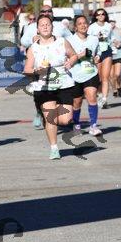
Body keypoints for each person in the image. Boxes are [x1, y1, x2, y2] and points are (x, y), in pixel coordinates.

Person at [24, 14, 77, 159]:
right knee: (51, 118)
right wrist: (36, 71)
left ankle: (45, 116)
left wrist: (70, 62)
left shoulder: (62, 42)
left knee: (65, 120)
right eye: (42, 25)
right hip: (44, 87)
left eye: (48, 24)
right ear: (37, 29)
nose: (45, 27)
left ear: (52, 27)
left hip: (64, 84)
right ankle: (54, 148)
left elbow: (73, 55)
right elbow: (27, 69)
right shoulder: (33, 48)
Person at [21, 5, 72, 129]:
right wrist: (33, 40)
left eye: (49, 11)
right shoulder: (32, 26)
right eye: (43, 11)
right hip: (39, 65)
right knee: (39, 92)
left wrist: (68, 55)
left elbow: (71, 38)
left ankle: (52, 113)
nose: (46, 12)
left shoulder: (60, 26)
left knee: (59, 110)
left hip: (59, 68)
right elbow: (23, 41)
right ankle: (40, 112)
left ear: (52, 13)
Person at [69, 15, 102, 136]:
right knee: (77, 102)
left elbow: (98, 52)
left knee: (92, 97)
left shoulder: (94, 39)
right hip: (75, 74)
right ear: (75, 27)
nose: (83, 25)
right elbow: (67, 57)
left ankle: (93, 126)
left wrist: (98, 57)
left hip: (90, 73)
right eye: (80, 24)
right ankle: (76, 124)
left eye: (85, 23)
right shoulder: (70, 40)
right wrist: (80, 55)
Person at [88, 8, 113, 108]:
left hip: (106, 51)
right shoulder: (92, 27)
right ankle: (99, 94)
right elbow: (88, 39)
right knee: (98, 77)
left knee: (105, 77)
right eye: (98, 14)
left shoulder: (108, 26)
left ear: (105, 15)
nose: (101, 16)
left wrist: (114, 43)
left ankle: (104, 99)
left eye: (103, 14)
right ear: (96, 17)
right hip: (96, 52)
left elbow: (111, 38)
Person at [109, 20, 121, 97]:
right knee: (111, 75)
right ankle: (115, 89)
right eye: (109, 22)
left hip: (119, 54)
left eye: (112, 21)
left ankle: (119, 86)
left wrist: (120, 43)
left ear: (115, 22)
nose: (111, 23)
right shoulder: (106, 31)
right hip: (109, 54)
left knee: (117, 74)